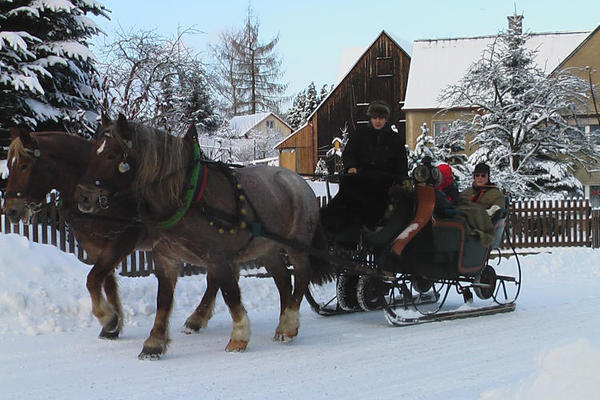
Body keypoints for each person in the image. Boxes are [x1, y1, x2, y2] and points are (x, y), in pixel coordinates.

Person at [321, 100, 409, 239]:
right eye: (375, 118)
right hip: (361, 177)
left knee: (372, 198)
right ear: (371, 118)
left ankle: (365, 225)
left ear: (385, 119)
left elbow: (401, 163)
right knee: (347, 188)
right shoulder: (360, 135)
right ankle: (331, 223)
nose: (378, 121)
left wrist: (400, 180)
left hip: (384, 181)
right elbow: (349, 153)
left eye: (381, 118)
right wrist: (351, 167)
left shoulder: (395, 139)